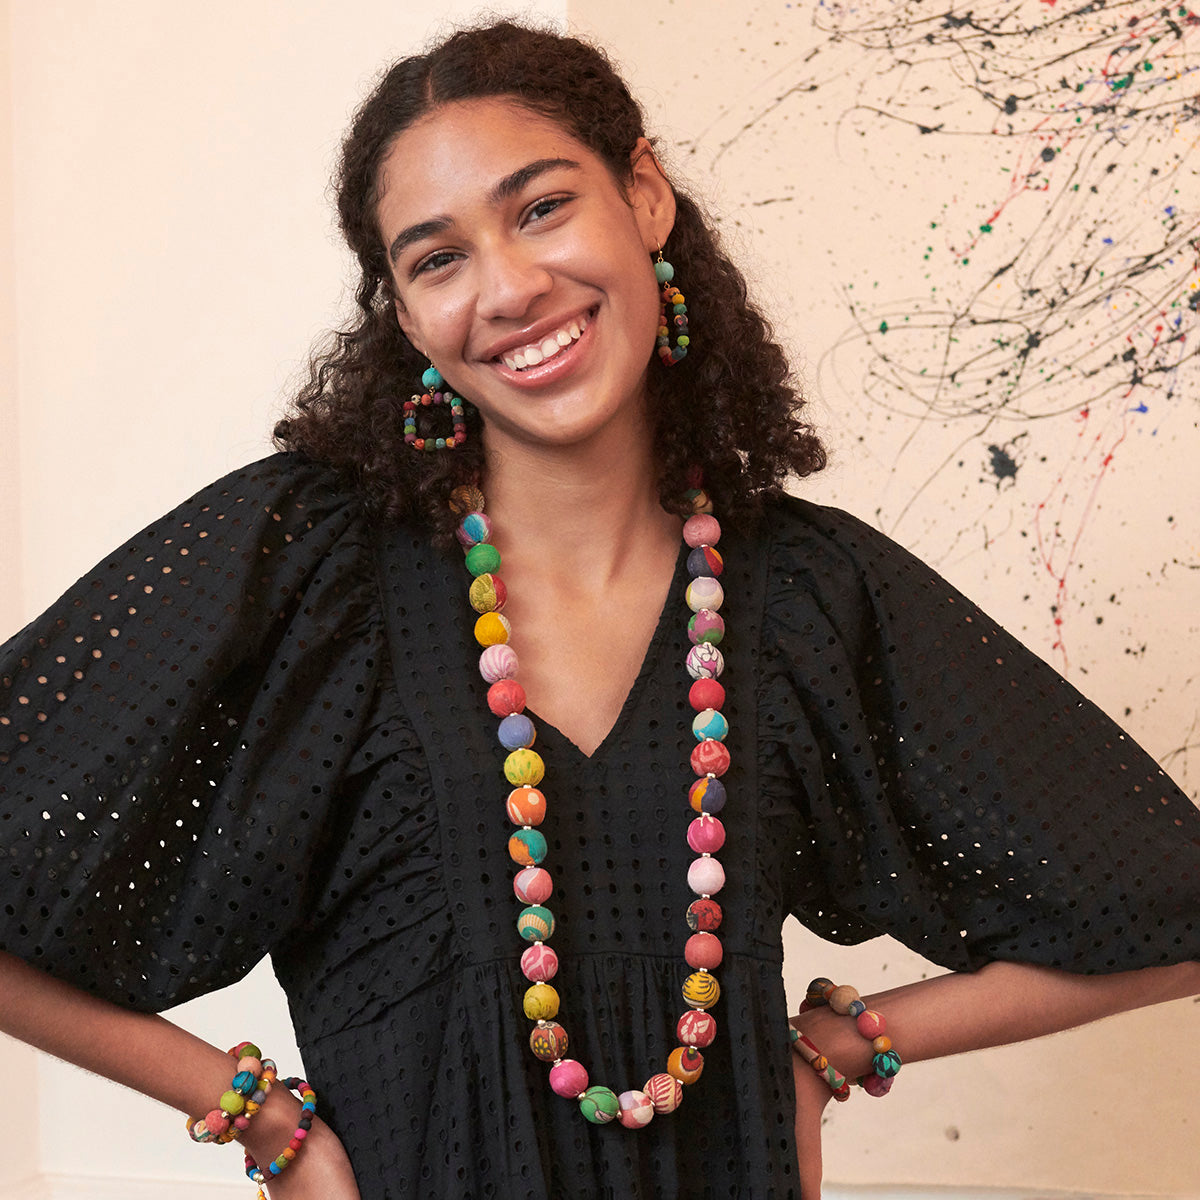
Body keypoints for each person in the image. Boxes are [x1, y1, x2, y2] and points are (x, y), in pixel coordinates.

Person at [1, 19, 1197, 1200]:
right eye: (436, 258)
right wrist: (259, 1121)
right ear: (406, 319)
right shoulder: (311, 571)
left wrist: (842, 1043)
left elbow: (1169, 911)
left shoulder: (804, 596)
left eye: (541, 208)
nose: (510, 287)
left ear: (645, 197)